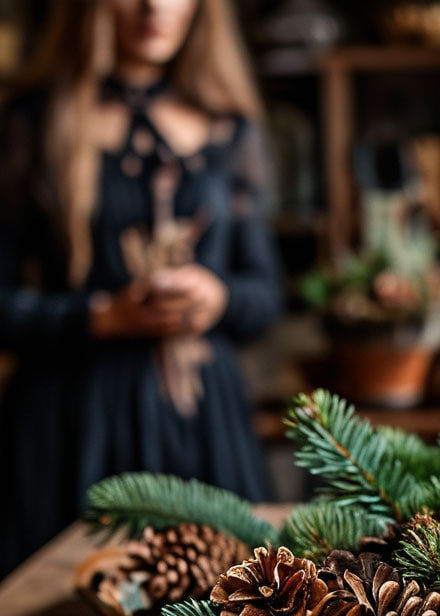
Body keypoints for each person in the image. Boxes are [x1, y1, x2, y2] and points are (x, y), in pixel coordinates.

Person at [0, 0, 281, 577]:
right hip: (70, 425)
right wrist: (100, 317)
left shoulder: (231, 127)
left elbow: (266, 295)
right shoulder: (32, 121)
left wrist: (216, 297)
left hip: (203, 428)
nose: (155, 6)